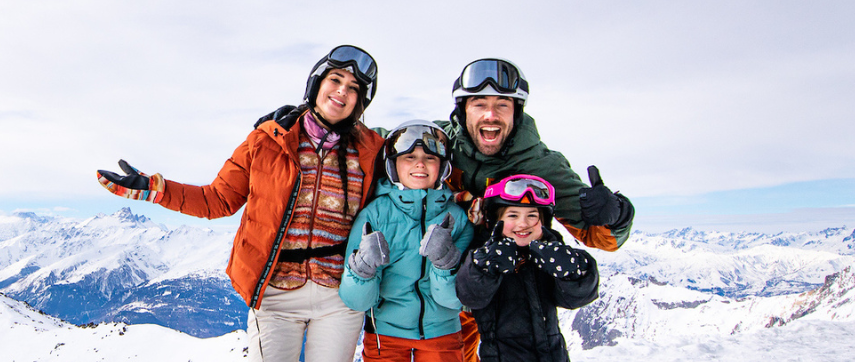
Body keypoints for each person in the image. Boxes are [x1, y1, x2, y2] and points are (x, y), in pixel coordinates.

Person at [96, 45, 384, 362]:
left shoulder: (372, 150)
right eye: (336, 78)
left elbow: (425, 164)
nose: (342, 91)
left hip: (338, 296)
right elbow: (216, 199)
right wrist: (157, 190)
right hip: (275, 294)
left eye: (354, 88)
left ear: (360, 101)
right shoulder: (267, 141)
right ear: (317, 83)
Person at [438, 58, 634, 252]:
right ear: (463, 111)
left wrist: (617, 216)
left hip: (507, 271)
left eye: (502, 105)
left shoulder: (541, 166)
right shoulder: (438, 142)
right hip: (440, 268)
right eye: (479, 104)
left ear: (516, 113)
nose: (490, 115)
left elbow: (603, 239)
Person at [339, 120, 478, 362]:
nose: (420, 164)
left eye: (430, 158)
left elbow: (454, 300)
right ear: (393, 165)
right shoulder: (374, 215)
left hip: (442, 335)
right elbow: (357, 301)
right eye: (410, 156)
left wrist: (445, 264)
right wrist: (362, 270)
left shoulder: (455, 219)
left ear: (443, 166)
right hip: (385, 337)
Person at [455, 175, 600, 362]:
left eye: (532, 215)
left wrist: (575, 271)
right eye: (512, 215)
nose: (523, 224)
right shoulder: (483, 254)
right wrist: (486, 266)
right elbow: (471, 295)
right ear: (495, 220)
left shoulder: (550, 253)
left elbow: (574, 299)